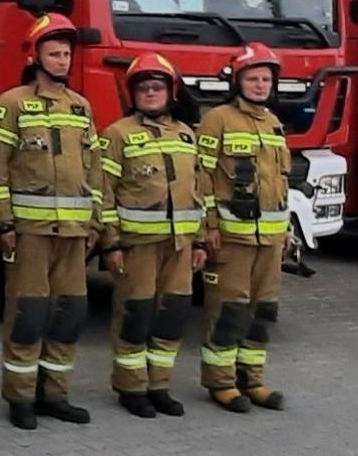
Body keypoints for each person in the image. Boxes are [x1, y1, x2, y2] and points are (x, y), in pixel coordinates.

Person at [0, 13, 103, 429]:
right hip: (30, 234)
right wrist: (2, 225)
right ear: (35, 55)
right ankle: (20, 398)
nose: (61, 60)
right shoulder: (11, 104)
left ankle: (55, 393)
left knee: (68, 314)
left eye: (66, 54)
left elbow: (94, 168)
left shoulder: (80, 106)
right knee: (27, 314)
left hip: (73, 234)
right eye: (54, 53)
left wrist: (96, 222)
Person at [96, 53, 207, 419]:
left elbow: (199, 192)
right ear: (133, 95)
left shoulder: (187, 135)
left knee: (171, 317)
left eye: (157, 87)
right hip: (136, 247)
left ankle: (159, 385)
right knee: (135, 316)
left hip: (179, 246)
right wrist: (110, 243)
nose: (150, 93)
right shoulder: (117, 135)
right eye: (143, 88)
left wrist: (201, 240)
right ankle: (131, 387)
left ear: (170, 91)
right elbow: (103, 192)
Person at [195, 43, 291, 413]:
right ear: (237, 81)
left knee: (263, 310)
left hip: (270, 238)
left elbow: (280, 183)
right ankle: (220, 382)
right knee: (229, 310)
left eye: (266, 79)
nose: (260, 85)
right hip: (232, 237)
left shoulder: (273, 123)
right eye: (252, 78)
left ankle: (253, 378)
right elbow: (201, 175)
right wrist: (209, 227)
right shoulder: (217, 119)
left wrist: (284, 232)